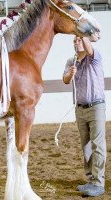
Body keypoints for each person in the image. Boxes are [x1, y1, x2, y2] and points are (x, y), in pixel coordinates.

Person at [63, 36, 106, 197]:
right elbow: (66, 80)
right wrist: (70, 74)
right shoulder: (71, 61)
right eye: (75, 40)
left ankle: (98, 183)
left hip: (96, 107)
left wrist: (84, 34)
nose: (76, 42)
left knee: (98, 145)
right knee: (86, 146)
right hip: (80, 109)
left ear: (86, 41)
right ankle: (91, 179)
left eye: (79, 40)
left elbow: (89, 48)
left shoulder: (94, 57)